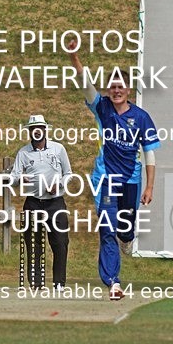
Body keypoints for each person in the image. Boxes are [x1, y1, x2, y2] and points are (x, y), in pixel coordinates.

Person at [67, 43, 160, 301]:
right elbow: (85, 83)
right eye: (113, 87)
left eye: (121, 87)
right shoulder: (102, 108)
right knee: (107, 229)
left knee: (125, 230)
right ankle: (113, 282)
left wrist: (149, 187)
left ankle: (127, 237)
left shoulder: (141, 117)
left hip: (131, 181)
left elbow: (149, 154)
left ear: (128, 90)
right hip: (106, 180)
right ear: (109, 90)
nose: (116, 91)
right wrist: (73, 56)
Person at [8, 114, 72, 290]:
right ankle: (36, 283)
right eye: (33, 128)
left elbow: (68, 174)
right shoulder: (23, 152)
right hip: (33, 202)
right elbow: (12, 178)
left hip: (55, 202)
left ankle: (59, 282)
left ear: (45, 130)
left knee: (60, 242)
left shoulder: (58, 149)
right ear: (29, 132)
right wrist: (20, 179)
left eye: (40, 128)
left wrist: (58, 185)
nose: (37, 131)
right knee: (34, 243)